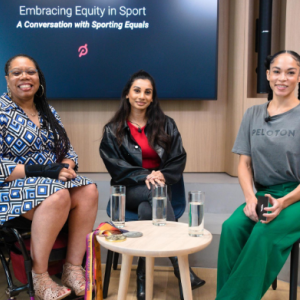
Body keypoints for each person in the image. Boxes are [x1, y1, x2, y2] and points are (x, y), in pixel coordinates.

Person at [99, 70, 205, 300]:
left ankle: (141, 276)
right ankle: (180, 266)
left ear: (152, 97)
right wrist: (144, 176)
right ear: (127, 94)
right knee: (155, 193)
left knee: (149, 209)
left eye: (148, 92)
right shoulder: (112, 130)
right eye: (137, 90)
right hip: (129, 189)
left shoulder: (167, 125)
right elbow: (115, 167)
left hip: (161, 188)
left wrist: (161, 176)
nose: (142, 96)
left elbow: (178, 158)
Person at [1, 54, 99, 300]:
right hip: (11, 185)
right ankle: (40, 276)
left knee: (89, 190)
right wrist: (43, 171)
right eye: (17, 72)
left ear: (39, 77)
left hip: (52, 183)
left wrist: (66, 165)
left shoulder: (48, 110)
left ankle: (73, 268)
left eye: (31, 71)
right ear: (7, 79)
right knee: (58, 196)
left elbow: (68, 151)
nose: (25, 76)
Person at [216, 50, 300, 300]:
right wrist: (251, 198)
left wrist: (284, 202)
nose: (282, 78)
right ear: (267, 75)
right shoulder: (253, 114)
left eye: (290, 72)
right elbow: (244, 165)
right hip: (265, 193)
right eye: (276, 71)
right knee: (231, 227)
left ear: (299, 77)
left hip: (295, 196)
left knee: (263, 233)